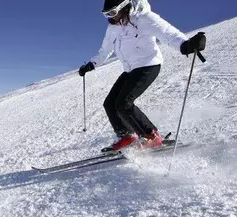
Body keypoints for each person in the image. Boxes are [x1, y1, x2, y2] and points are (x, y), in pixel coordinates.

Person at [78, 0, 206, 151]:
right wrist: (91, 64)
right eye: (106, 14)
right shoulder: (113, 27)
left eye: (112, 13)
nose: (109, 18)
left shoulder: (143, 18)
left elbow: (167, 33)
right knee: (110, 104)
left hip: (148, 64)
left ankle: (152, 136)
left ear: (124, 7)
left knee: (124, 103)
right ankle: (127, 136)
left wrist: (185, 45)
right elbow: (105, 50)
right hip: (130, 69)